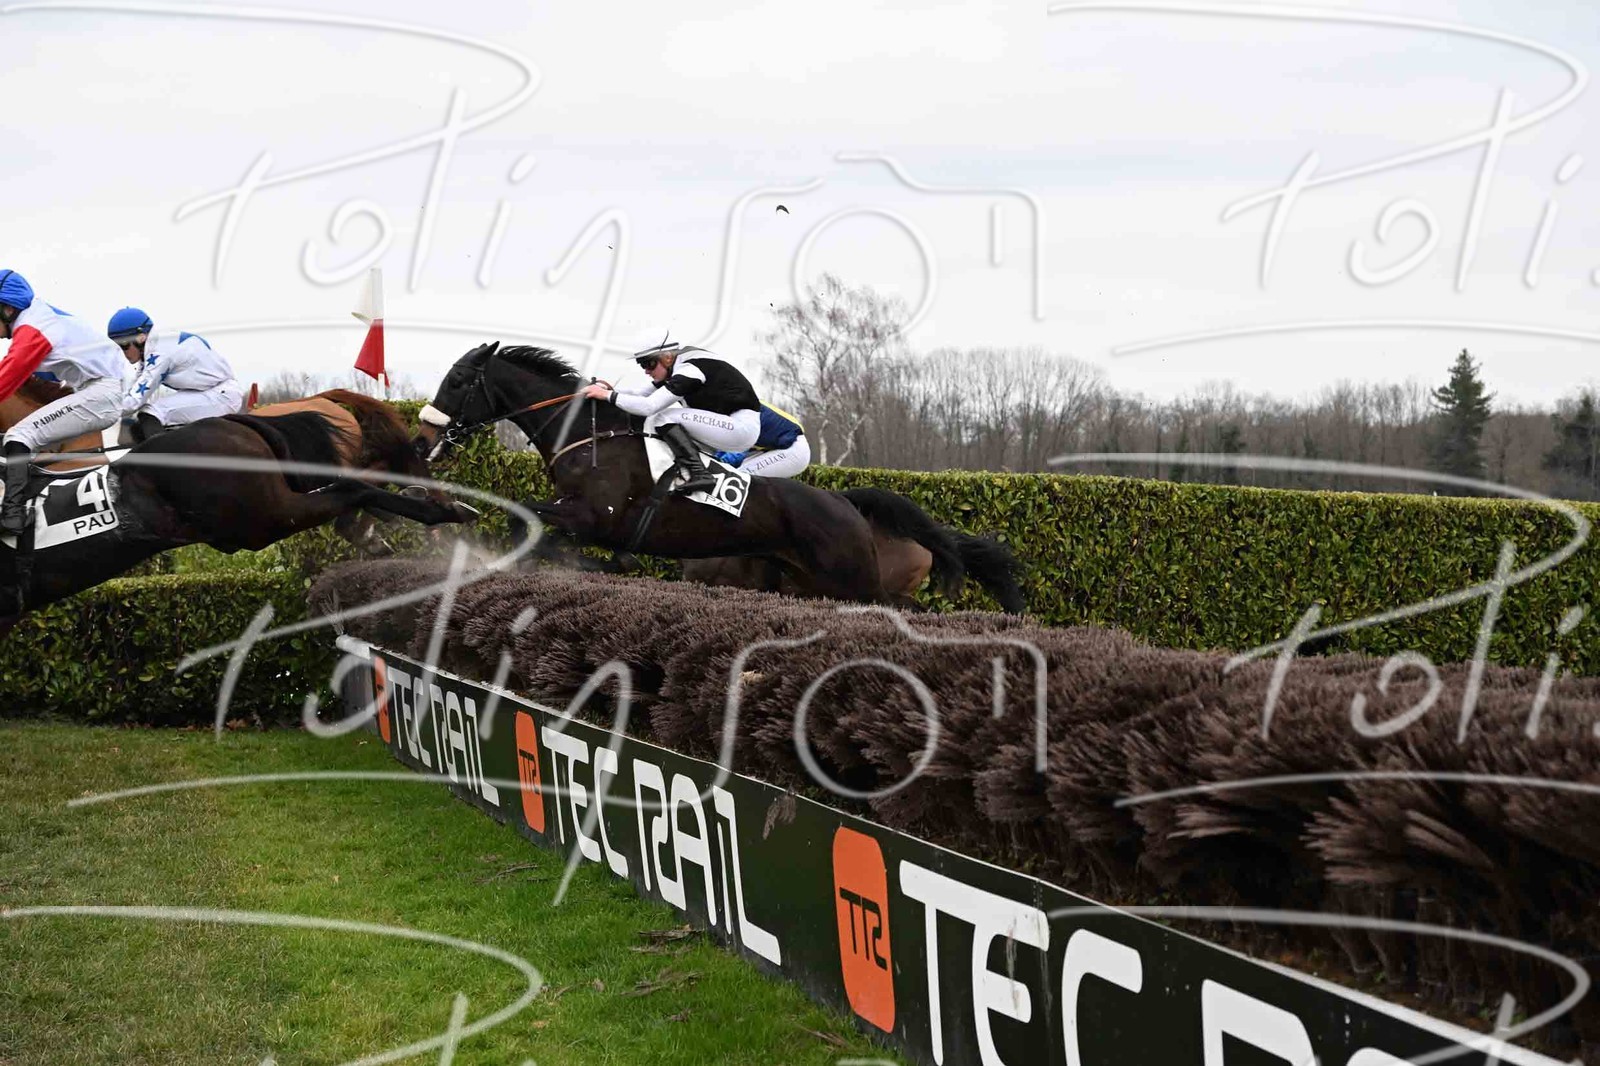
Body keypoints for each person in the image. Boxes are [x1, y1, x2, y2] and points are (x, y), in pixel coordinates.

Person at [0, 270, 127, 534]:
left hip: (100, 393)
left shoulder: (33, 328)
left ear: (7, 309)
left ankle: (12, 516)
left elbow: (7, 378)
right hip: (97, 388)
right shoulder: (37, 316)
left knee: (19, 435)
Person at [581, 337, 761, 494]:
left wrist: (607, 395)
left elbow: (649, 406)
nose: (646, 371)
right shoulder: (677, 367)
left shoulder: (689, 370)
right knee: (664, 421)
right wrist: (607, 390)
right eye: (642, 365)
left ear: (667, 357)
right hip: (731, 427)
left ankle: (700, 474)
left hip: (740, 427)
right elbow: (640, 394)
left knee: (662, 417)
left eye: (648, 363)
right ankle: (692, 473)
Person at [107, 307, 244, 442]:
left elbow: (133, 402)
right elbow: (134, 392)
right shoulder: (156, 345)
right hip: (208, 391)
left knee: (151, 412)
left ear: (140, 338)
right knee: (142, 423)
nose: (122, 352)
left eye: (123, 344)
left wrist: (100, 413)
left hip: (220, 396)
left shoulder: (159, 353)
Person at [712, 402, 810, 478]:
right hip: (780, 447)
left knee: (735, 479)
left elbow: (737, 454)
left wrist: (714, 465)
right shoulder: (738, 405)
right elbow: (727, 448)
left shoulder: (744, 412)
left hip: (794, 450)